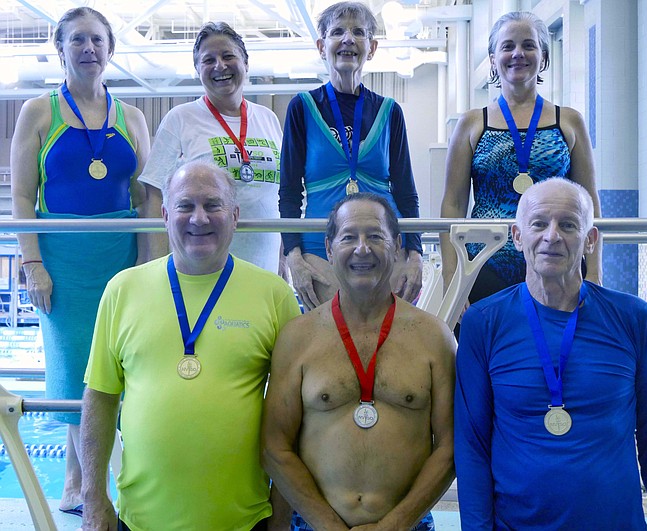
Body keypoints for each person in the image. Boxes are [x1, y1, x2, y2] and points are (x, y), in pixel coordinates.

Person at [79, 162, 301, 530]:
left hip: (244, 521)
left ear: (235, 215)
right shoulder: (122, 289)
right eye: (185, 206)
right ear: (165, 215)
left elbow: (294, 415)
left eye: (212, 205)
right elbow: (100, 398)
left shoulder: (273, 295)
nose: (199, 218)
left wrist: (281, 514)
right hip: (141, 522)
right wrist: (93, 498)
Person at [454, 178, 647, 530]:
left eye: (568, 225)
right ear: (517, 235)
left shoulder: (633, 319)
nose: (551, 236)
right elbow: (472, 445)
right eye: (538, 223)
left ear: (590, 240)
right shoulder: (484, 322)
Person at [9, 7, 150, 516]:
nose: (89, 48)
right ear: (61, 48)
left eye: (97, 40)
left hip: (121, 257)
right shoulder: (38, 112)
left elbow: (145, 196)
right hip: (63, 261)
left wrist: (148, 265)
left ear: (110, 49)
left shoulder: (131, 116)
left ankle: (108, 476)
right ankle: (79, 481)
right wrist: (32, 264)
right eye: (78, 41)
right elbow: (22, 196)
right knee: (74, 371)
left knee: (121, 366)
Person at [262, 193, 456, 530]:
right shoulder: (298, 338)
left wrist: (394, 525)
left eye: (375, 236)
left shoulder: (434, 338)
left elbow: (450, 448)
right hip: (314, 524)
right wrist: (328, 525)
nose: (362, 249)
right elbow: (275, 446)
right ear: (329, 247)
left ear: (396, 246)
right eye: (349, 237)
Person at [440, 11, 602, 307]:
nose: (518, 54)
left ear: (543, 57)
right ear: (492, 59)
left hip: (558, 260)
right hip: (485, 264)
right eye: (507, 46)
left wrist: (594, 270)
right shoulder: (473, 123)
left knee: (555, 349)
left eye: (529, 45)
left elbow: (590, 201)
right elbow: (452, 204)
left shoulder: (569, 121)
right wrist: (452, 276)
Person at [279, 1, 423, 310]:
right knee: (329, 346)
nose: (348, 39)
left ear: (371, 48)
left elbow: (407, 192)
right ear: (322, 45)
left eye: (359, 32)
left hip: (383, 242)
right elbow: (289, 192)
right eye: (337, 32)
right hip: (320, 247)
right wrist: (293, 257)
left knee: (385, 343)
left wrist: (414, 254)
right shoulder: (302, 108)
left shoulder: (389, 111)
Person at [139, 21, 283, 273]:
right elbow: (153, 198)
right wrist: (159, 267)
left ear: (246, 64)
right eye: (208, 60)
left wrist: (281, 259)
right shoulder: (181, 118)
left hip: (265, 267)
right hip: (201, 269)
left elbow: (277, 198)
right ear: (197, 69)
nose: (220, 66)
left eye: (228, 56)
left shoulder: (268, 118)